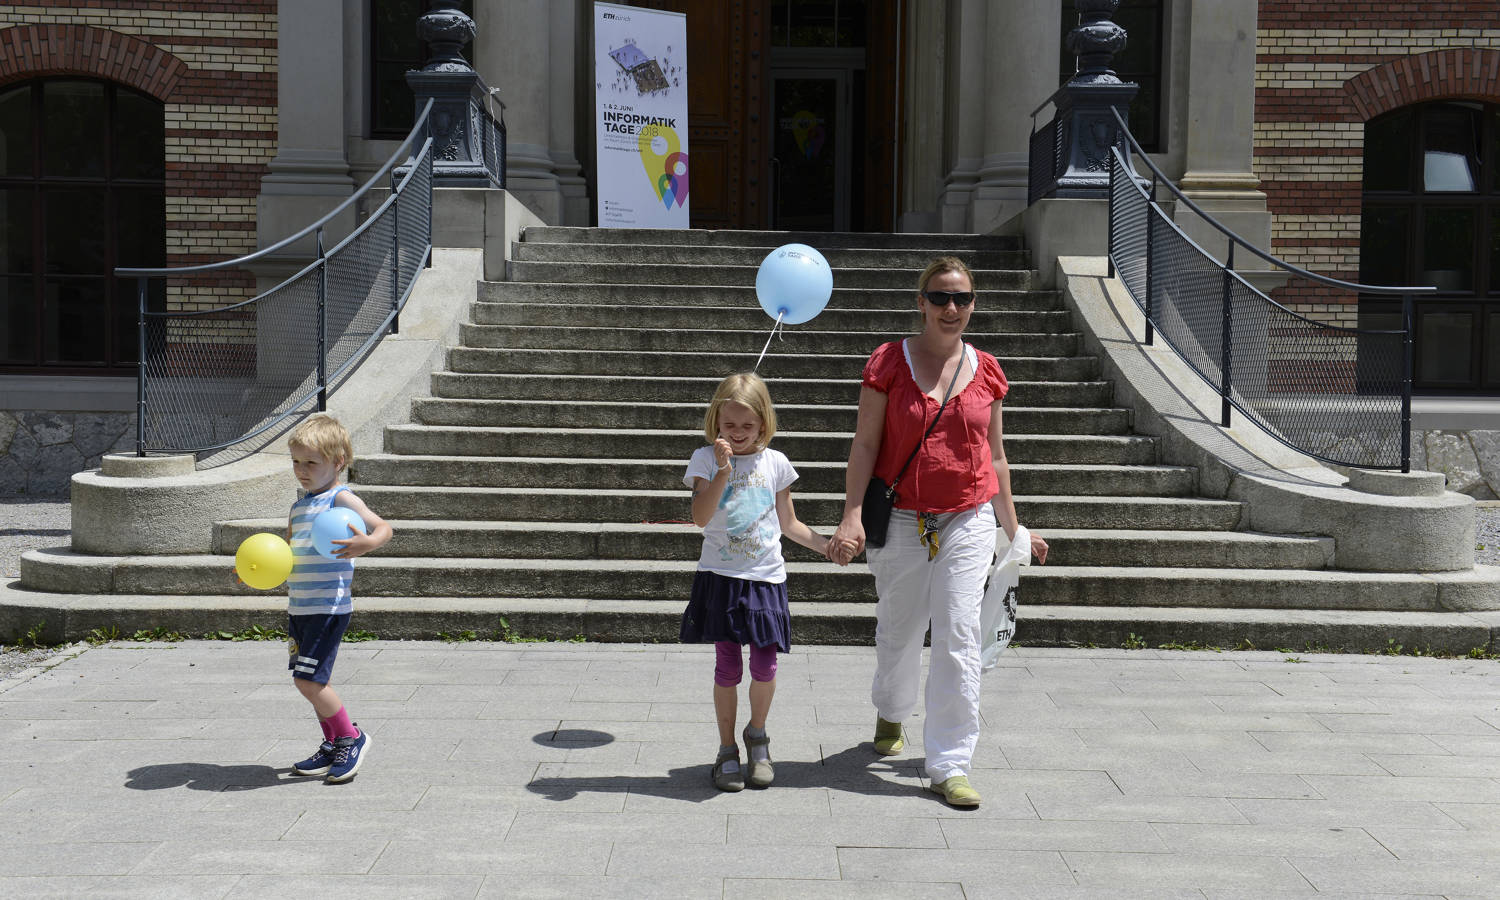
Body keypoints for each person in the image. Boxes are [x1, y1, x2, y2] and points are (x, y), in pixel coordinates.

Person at [828, 256, 1049, 808]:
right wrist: (852, 513)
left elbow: (995, 457)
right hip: (902, 515)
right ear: (921, 302)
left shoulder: (987, 369)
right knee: (899, 631)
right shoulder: (889, 362)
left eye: (963, 299)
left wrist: (1014, 532)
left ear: (973, 305)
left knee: (958, 633)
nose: (952, 308)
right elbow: (864, 445)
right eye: (941, 297)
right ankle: (891, 708)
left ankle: (949, 762)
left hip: (967, 516)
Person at [681, 373, 833, 792]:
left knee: (765, 666)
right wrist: (723, 471)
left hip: (765, 579)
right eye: (730, 426)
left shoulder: (777, 463)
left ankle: (758, 737)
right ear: (716, 422)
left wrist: (827, 546)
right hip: (721, 578)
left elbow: (790, 524)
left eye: (748, 426)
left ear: (764, 424)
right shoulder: (704, 459)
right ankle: (726, 749)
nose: (739, 434)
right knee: (727, 666)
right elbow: (700, 517)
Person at [282, 414, 392, 783]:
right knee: (306, 679)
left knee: (311, 682)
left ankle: (351, 738)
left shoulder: (339, 498)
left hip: (328, 608)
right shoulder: (298, 508)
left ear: (337, 462)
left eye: (311, 462)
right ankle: (332, 744)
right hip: (300, 606)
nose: (302, 470)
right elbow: (285, 554)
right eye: (296, 461)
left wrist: (368, 542)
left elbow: (383, 527)